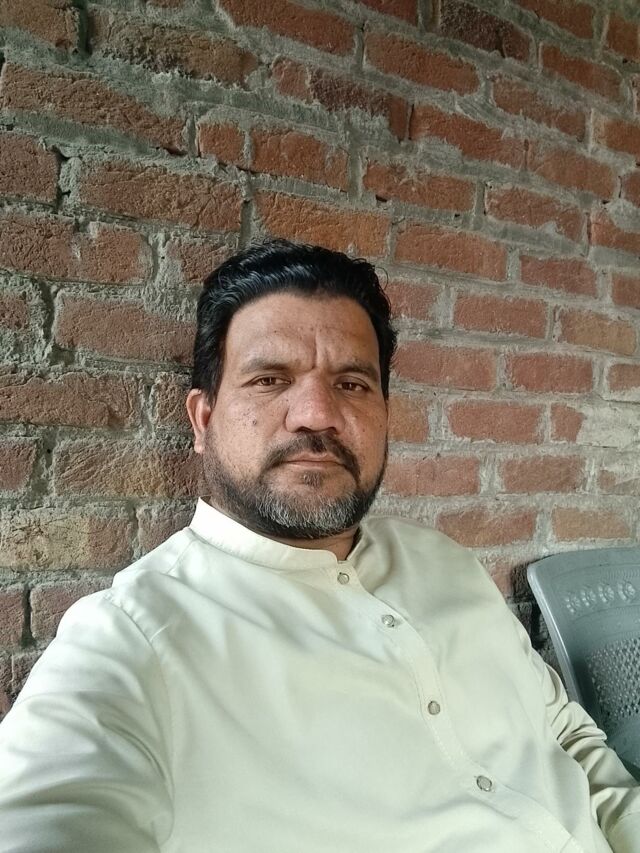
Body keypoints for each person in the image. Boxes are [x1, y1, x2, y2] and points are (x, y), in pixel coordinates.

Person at [0, 240, 637, 853]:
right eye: (269, 379)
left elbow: (561, 731)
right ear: (203, 419)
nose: (316, 413)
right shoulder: (132, 641)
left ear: (384, 413)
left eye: (352, 384)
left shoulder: (443, 561)